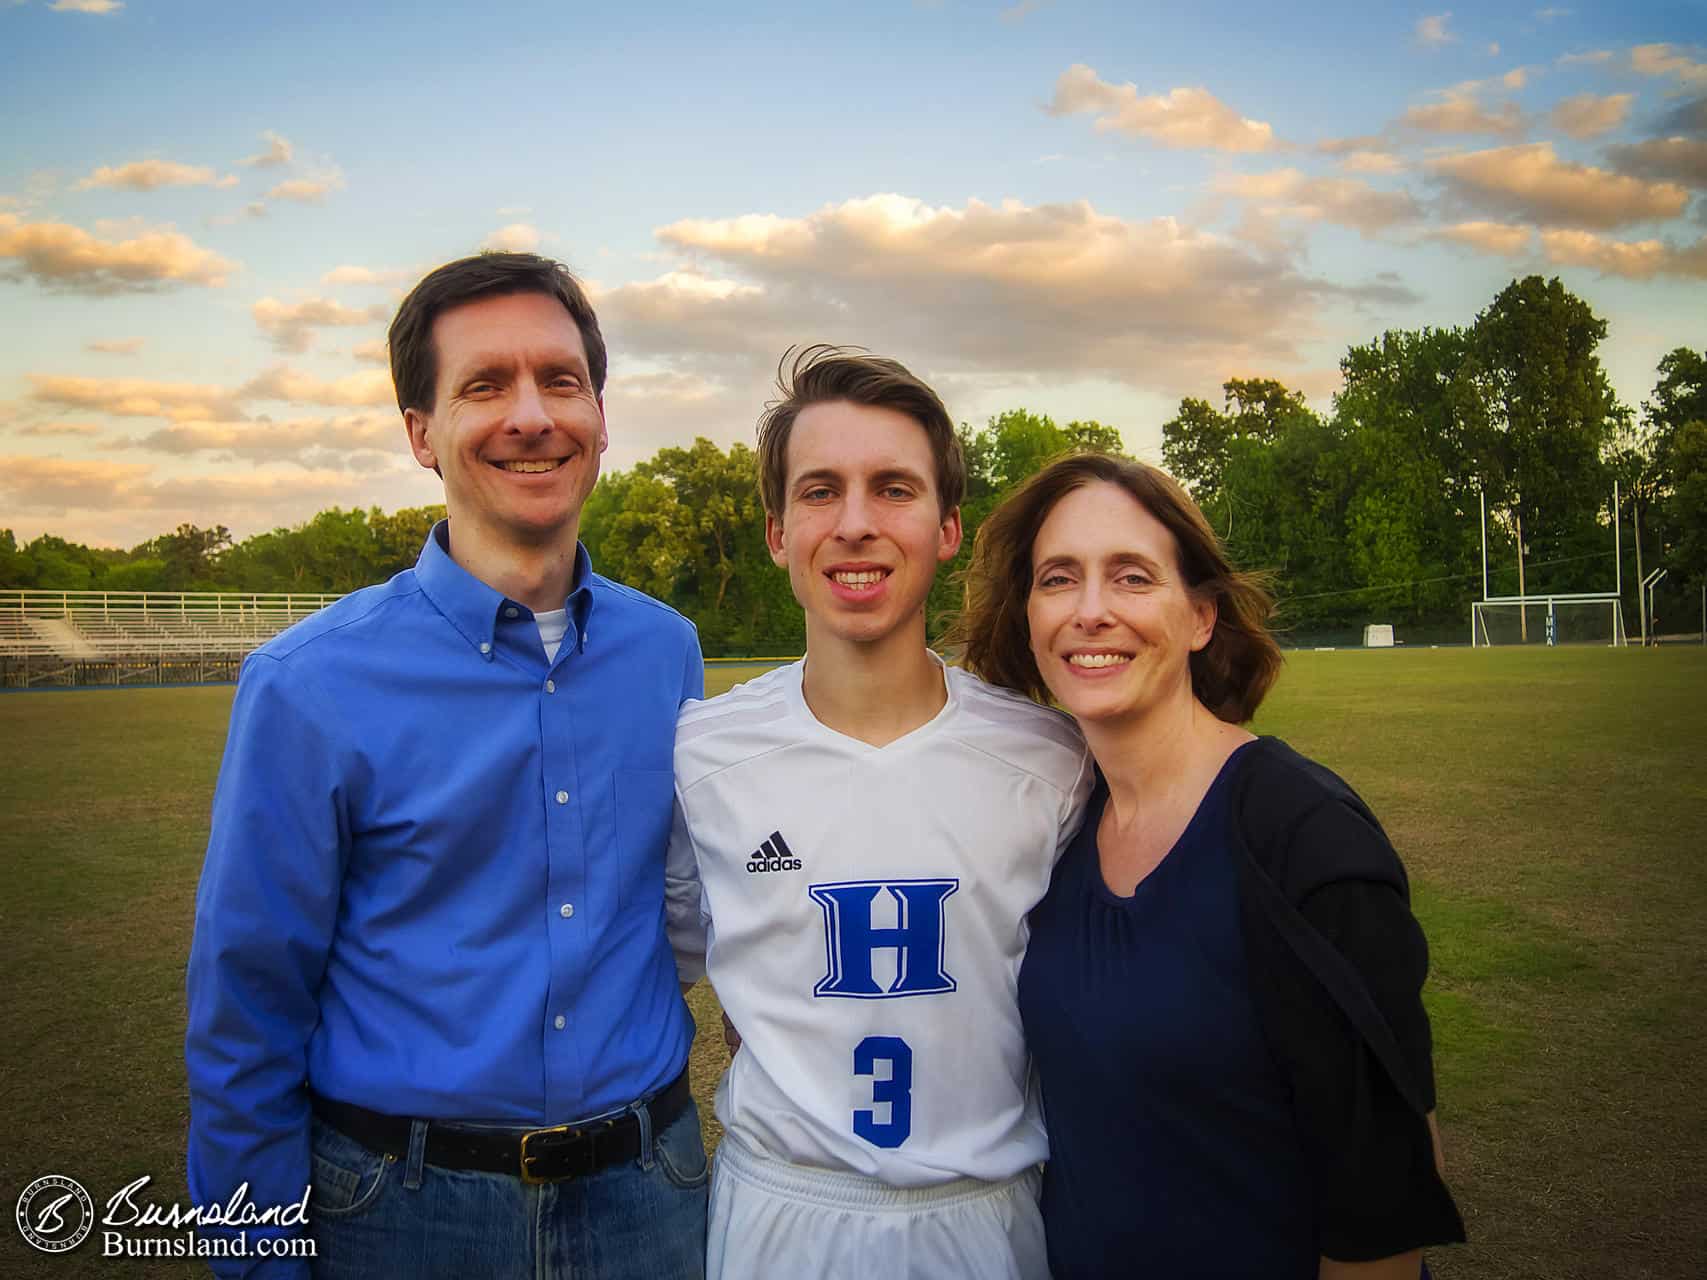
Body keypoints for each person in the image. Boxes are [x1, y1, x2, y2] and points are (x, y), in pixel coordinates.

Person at [185, 252, 710, 1279]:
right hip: (404, 1210)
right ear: (421, 431)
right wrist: (257, 1259)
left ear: (602, 415)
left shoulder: (668, 652)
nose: (532, 415)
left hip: (650, 1192)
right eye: (485, 384)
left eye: (561, 380)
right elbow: (247, 1012)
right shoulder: (306, 682)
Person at [955, 452, 1466, 1279]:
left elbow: (1382, 1197)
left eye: (1129, 577)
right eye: (1058, 578)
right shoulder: (1057, 824)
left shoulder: (1303, 837)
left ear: (1198, 616)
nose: (1090, 611)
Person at [666, 346, 1091, 1279]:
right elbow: (695, 966)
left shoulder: (1048, 760)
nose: (855, 524)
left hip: (985, 1214)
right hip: (780, 1211)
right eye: (820, 490)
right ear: (777, 531)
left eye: (892, 488)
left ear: (947, 528)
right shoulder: (701, 753)